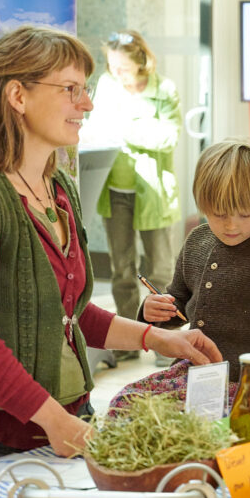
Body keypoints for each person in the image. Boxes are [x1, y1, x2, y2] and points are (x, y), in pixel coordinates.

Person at [0, 26, 221, 467]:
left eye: (84, 90)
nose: (86, 104)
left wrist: (159, 338)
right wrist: (55, 421)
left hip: (67, 422)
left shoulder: (58, 187)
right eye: (70, 90)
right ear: (18, 96)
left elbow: (70, 310)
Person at [111, 138, 250, 406]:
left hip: (244, 384)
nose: (231, 226)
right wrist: (152, 311)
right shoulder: (197, 241)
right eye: (219, 214)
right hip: (191, 372)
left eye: (244, 215)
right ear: (203, 205)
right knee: (126, 404)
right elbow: (178, 303)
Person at [82, 30, 182, 363]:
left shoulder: (164, 90)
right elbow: (95, 126)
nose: (117, 74)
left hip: (153, 194)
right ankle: (126, 341)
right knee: (121, 269)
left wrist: (126, 129)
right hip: (115, 192)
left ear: (140, 61)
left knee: (160, 272)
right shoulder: (108, 86)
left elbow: (168, 138)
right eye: (112, 66)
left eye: (123, 67)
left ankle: (165, 344)